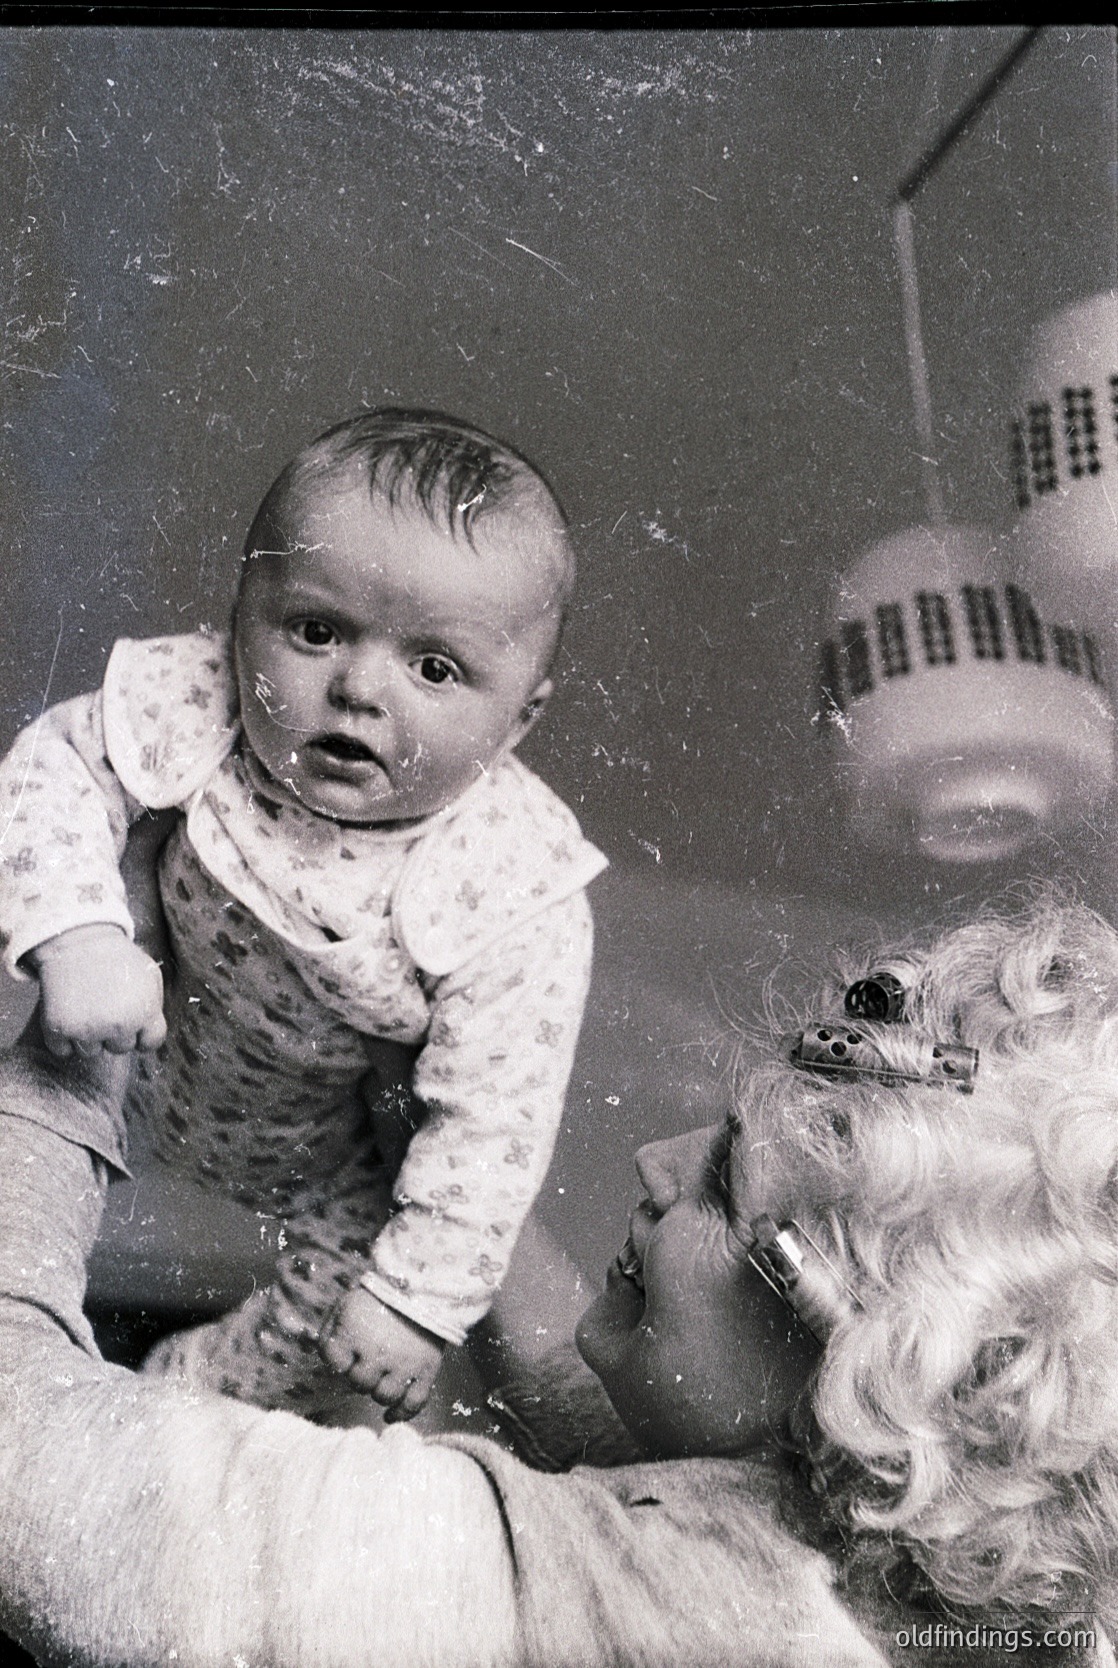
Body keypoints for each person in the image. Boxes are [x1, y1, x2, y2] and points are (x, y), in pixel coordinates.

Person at [0, 896, 1115, 1666]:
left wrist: (74, 1048)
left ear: (852, 1382)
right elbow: (592, 1413)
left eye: (723, 1186)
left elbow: (30, 1468)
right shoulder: (943, 1579)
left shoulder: (691, 1612)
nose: (655, 1162)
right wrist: (443, 1174)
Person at [0, 409, 607, 1420]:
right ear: (239, 617)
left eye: (434, 668)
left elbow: (493, 1123)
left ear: (521, 716)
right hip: (134, 1042)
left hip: (330, 1156)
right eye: (316, 631)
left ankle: (175, 1404)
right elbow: (54, 772)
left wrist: (415, 1303)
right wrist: (82, 933)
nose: (357, 689)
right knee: (25, 1136)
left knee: (339, 1335)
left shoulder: (511, 882)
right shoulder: (198, 702)